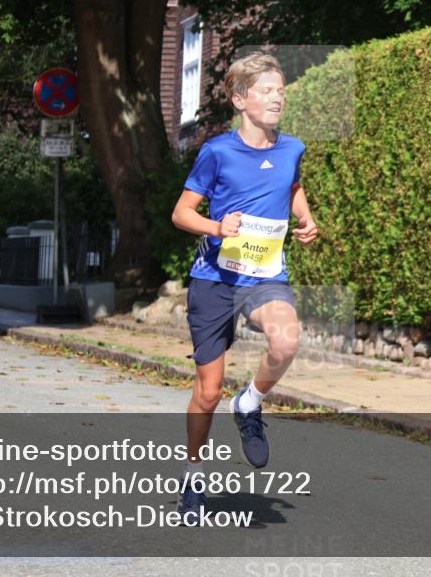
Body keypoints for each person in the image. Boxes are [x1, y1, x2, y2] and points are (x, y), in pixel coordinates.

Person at [170, 52, 319, 523]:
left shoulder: (292, 147)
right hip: (215, 278)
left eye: (281, 90)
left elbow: (292, 186)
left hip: (265, 275)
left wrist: (306, 217)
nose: (279, 97)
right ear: (240, 99)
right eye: (268, 90)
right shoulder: (217, 151)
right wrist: (216, 228)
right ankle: (193, 476)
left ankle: (250, 401)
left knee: (287, 340)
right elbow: (181, 213)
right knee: (208, 391)